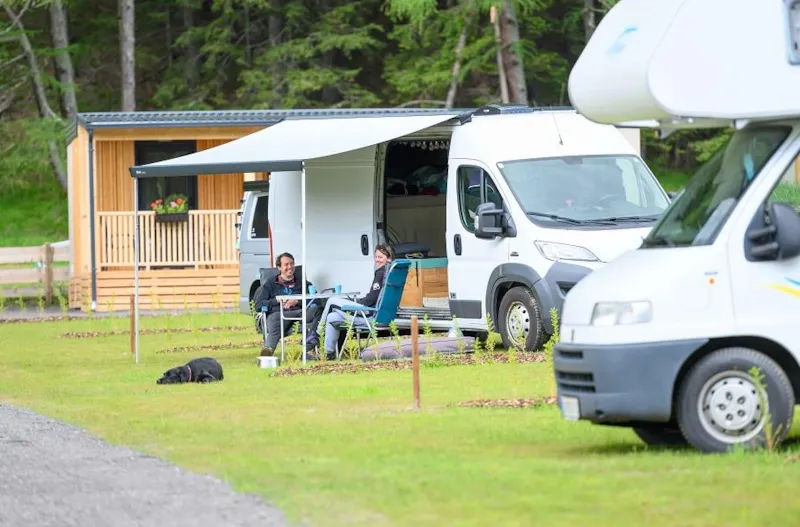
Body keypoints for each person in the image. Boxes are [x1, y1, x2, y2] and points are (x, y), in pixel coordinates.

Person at [306, 244, 395, 359]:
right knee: (332, 317)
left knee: (332, 300)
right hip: (382, 315)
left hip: (370, 314)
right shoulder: (391, 273)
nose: (377, 260)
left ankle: (316, 335)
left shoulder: (381, 273)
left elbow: (371, 299)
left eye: (380, 257)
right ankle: (328, 353)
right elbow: (375, 297)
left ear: (389, 258)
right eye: (376, 257)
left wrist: (356, 302)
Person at [254, 252, 318, 357]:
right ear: (279, 267)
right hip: (279, 313)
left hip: (300, 313)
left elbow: (316, 300)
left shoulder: (304, 283)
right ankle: (267, 350)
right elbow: (258, 305)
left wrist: (298, 301)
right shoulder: (270, 283)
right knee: (276, 320)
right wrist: (277, 301)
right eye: (286, 264)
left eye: (292, 264)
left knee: (319, 310)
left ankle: (309, 348)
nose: (290, 267)